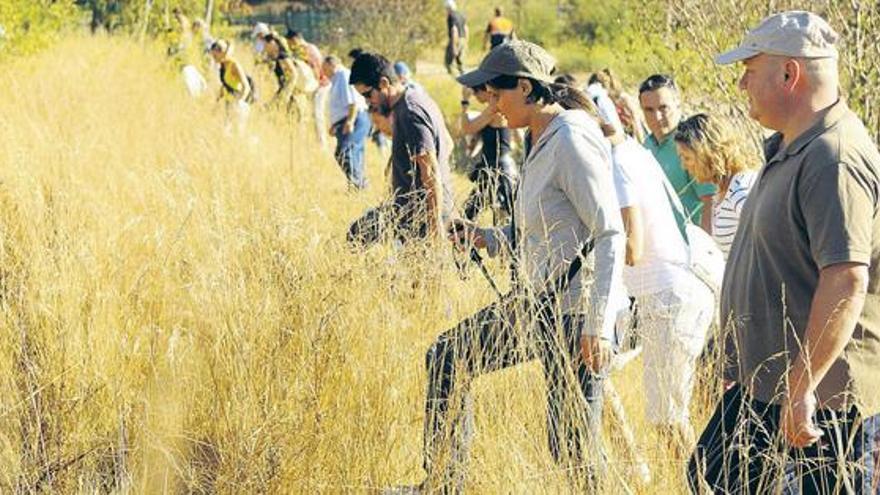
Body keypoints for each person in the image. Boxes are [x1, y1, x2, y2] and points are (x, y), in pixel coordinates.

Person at [397, 40, 626, 492]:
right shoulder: (538, 138)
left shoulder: (572, 140)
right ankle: (444, 482)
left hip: (575, 313)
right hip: (540, 304)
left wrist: (597, 325)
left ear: (525, 86)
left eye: (495, 93)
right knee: (448, 355)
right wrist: (485, 236)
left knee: (573, 447)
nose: (489, 103)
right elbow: (545, 228)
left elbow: (610, 232)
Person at [689, 11, 880, 493]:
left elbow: (846, 279)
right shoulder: (793, 147)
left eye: (750, 72)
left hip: (822, 397)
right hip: (773, 383)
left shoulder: (833, 157)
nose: (740, 84)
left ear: (789, 74)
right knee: (712, 474)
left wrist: (801, 389)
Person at [605, 122, 715, 458]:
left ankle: (697, 485)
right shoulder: (635, 150)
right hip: (648, 296)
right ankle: (636, 468)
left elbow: (632, 249)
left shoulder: (617, 162)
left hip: (667, 296)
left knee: (667, 418)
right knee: (593, 370)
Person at [347, 52, 455, 246]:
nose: (366, 102)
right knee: (357, 234)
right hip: (409, 212)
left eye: (367, 94)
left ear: (383, 83)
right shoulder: (415, 100)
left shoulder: (410, 112)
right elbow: (448, 143)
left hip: (422, 218)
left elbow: (430, 172)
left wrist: (434, 227)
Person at [674, 113, 759, 259]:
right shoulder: (722, 192)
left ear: (707, 154)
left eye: (687, 158)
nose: (684, 166)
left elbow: (771, 241)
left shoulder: (740, 190)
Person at [639, 74, 717, 231]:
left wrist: (706, 250)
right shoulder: (647, 145)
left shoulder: (692, 143)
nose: (657, 116)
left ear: (678, 104)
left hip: (693, 244)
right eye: (649, 110)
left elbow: (710, 201)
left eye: (663, 108)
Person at [458, 82, 517, 221]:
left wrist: (465, 102)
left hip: (497, 168)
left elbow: (467, 128)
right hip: (497, 166)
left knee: (501, 215)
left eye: (475, 93)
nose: (476, 97)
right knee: (502, 214)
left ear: (483, 91)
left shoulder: (494, 109)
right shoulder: (495, 108)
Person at [321, 55, 370, 190]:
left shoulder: (343, 75)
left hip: (355, 118)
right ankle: (357, 185)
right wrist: (334, 125)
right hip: (347, 120)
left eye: (325, 68)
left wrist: (350, 121)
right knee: (351, 153)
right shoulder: (336, 80)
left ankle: (358, 185)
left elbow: (352, 101)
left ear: (332, 65)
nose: (324, 72)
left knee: (345, 152)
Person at [288, 30, 329, 149]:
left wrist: (313, 84)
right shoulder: (310, 47)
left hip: (320, 85)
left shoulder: (305, 50)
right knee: (313, 115)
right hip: (317, 84)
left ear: (295, 39)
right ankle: (317, 144)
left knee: (317, 114)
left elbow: (315, 68)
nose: (290, 46)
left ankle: (322, 145)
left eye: (290, 43)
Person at [210, 39, 252, 133]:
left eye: (215, 55)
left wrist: (239, 103)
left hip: (238, 105)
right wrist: (216, 101)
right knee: (227, 132)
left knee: (238, 133)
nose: (213, 58)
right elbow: (225, 84)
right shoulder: (222, 65)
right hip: (229, 104)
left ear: (221, 52)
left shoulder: (234, 65)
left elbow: (246, 86)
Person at [444, 0, 468, 75]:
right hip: (463, 39)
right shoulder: (462, 15)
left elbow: (454, 30)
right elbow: (466, 29)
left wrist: (454, 45)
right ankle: (463, 78)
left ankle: (454, 79)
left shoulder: (451, 16)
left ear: (448, 8)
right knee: (461, 62)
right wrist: (466, 42)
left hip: (455, 39)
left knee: (448, 62)